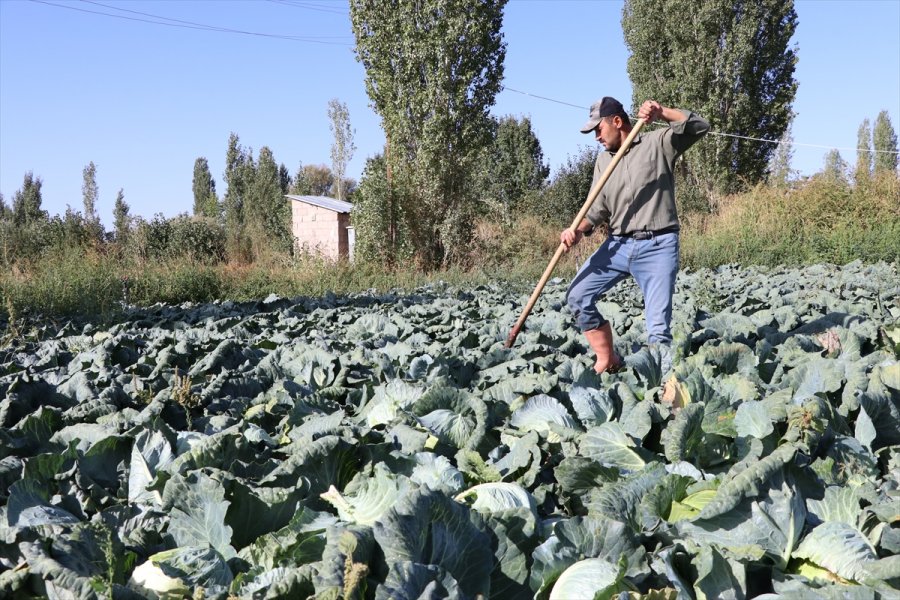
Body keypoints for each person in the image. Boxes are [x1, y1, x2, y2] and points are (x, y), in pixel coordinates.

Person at [561, 96, 709, 373]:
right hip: (617, 245)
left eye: (598, 130)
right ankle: (607, 358)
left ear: (617, 122)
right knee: (577, 296)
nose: (596, 138)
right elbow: (595, 209)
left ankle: (663, 386)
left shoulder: (658, 143)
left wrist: (662, 112)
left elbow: (700, 126)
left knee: (657, 329)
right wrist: (576, 230)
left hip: (658, 245)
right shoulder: (603, 161)